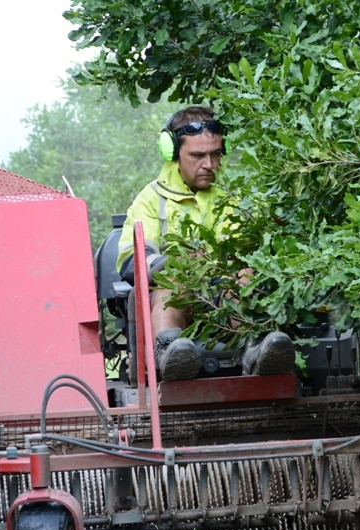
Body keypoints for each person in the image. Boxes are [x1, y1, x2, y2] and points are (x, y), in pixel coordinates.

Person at [115, 106, 294, 381]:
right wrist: (177, 265)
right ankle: (170, 354)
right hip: (180, 298)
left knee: (246, 276)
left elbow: (256, 251)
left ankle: (257, 350)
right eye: (198, 156)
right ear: (172, 153)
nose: (209, 164)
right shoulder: (151, 199)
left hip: (224, 296)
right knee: (169, 288)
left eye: (215, 154)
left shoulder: (235, 197)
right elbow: (131, 262)